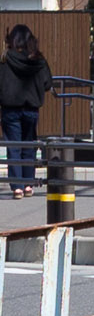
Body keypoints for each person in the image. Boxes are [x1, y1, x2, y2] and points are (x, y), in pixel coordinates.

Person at [1, 25, 52, 199]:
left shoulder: (5, 60)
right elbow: (47, 84)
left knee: (13, 146)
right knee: (29, 145)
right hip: (31, 109)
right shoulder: (38, 60)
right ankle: (29, 183)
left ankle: (17, 187)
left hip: (10, 110)